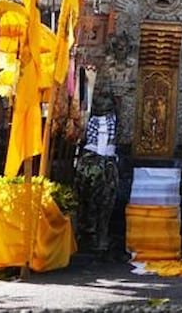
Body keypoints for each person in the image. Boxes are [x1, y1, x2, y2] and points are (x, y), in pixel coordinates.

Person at [74, 86, 119, 254]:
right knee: (91, 204)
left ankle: (98, 236)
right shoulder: (91, 124)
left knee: (102, 205)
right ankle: (93, 236)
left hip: (102, 168)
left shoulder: (112, 124)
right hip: (94, 168)